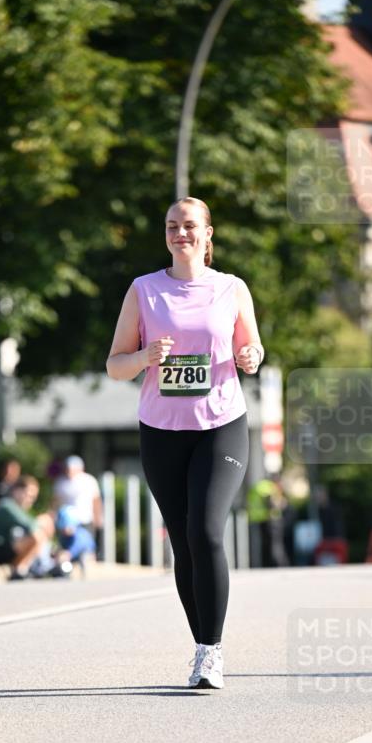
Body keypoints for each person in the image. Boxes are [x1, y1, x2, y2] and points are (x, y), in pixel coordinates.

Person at [106, 196, 264, 689]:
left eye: (190, 225)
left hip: (221, 425)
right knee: (183, 541)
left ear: (208, 234)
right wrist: (144, 357)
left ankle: (211, 653)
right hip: (161, 431)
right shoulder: (144, 290)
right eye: (172, 225)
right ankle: (201, 644)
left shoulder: (231, 288)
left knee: (206, 531)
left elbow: (252, 347)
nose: (181, 233)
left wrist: (250, 356)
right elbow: (115, 365)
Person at [0, 475, 67, 580]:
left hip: (5, 548)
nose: (30, 500)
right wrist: (44, 521)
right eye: (28, 495)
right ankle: (20, 569)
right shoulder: (7, 506)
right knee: (37, 536)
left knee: (37, 535)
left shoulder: (14, 507)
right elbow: (32, 526)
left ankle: (44, 564)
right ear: (16, 491)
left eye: (33, 498)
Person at [53, 455, 104, 553]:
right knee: (67, 545)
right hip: (66, 521)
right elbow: (55, 501)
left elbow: (96, 500)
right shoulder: (60, 482)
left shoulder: (89, 480)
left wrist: (98, 517)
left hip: (85, 519)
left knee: (86, 545)